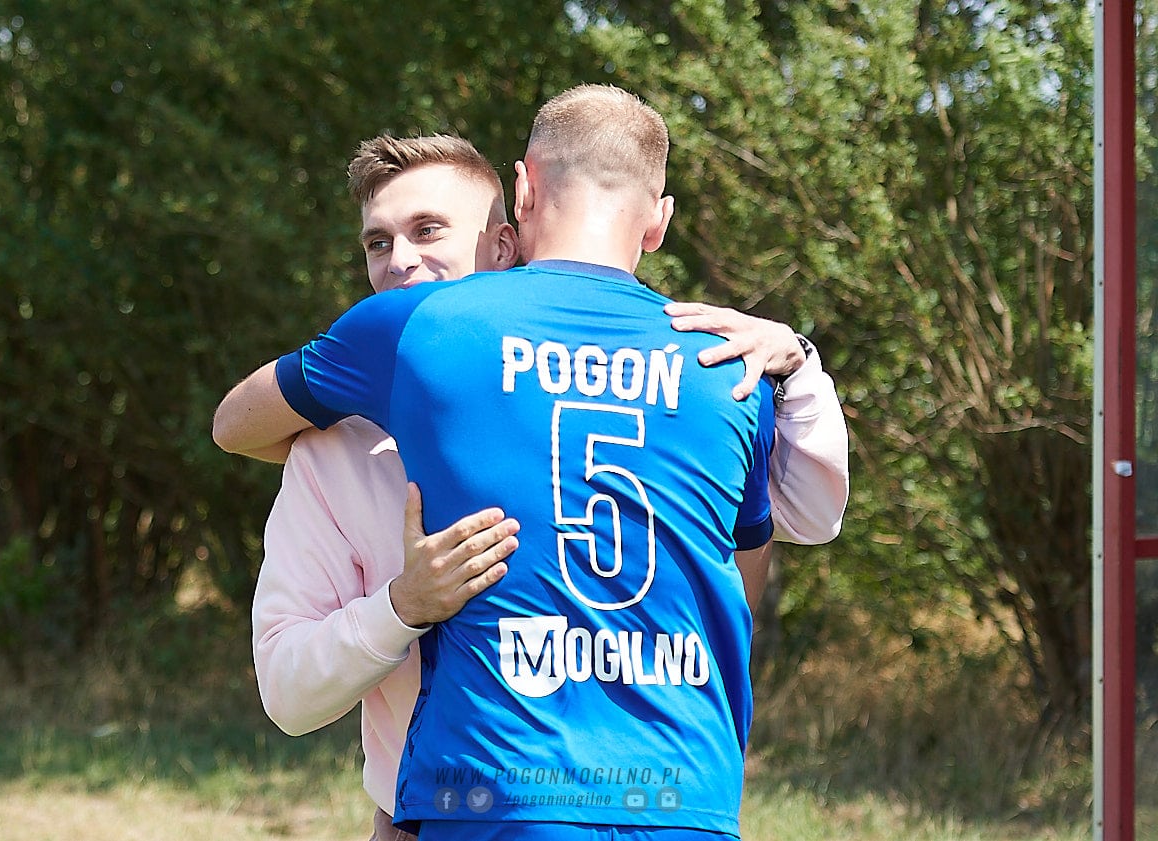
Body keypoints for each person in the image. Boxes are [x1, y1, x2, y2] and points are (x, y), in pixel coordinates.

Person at [216, 88, 847, 839]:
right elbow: (760, 558)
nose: (400, 262)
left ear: (518, 211)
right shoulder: (727, 364)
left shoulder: (413, 329)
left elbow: (233, 422)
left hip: (490, 793)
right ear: (659, 221)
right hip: (682, 791)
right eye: (377, 243)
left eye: (428, 230)